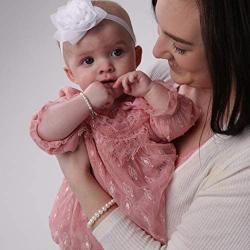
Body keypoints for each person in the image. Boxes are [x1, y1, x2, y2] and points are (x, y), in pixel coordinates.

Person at [53, 0, 250, 249]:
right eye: (160, 30)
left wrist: (79, 180)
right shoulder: (161, 79)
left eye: (179, 47)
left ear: (235, 50)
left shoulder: (243, 164)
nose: (156, 51)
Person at [29, 0, 201, 249]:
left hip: (142, 221)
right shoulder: (75, 107)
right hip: (85, 221)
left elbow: (179, 123)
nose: (105, 67)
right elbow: (42, 131)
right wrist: (86, 102)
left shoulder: (145, 100)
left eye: (117, 52)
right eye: (88, 61)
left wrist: (151, 90)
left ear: (137, 55)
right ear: (71, 74)